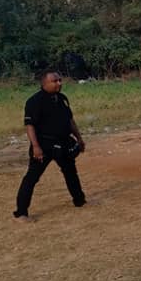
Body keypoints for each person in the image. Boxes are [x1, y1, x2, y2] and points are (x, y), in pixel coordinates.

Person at [13, 70, 87, 219]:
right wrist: (36, 147)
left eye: (60, 80)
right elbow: (30, 126)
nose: (59, 83)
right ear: (44, 83)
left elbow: (70, 120)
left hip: (63, 142)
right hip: (44, 144)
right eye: (54, 81)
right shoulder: (34, 101)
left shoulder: (62, 99)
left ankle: (79, 200)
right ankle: (21, 212)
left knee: (70, 172)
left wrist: (79, 138)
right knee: (32, 177)